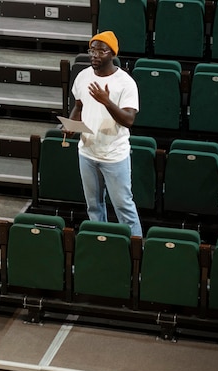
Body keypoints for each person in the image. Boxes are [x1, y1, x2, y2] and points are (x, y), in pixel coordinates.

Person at [68, 30, 143, 237]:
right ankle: (100, 244)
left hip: (114, 155)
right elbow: (79, 106)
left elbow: (128, 120)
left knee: (124, 208)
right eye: (92, 50)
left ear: (112, 54)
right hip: (87, 153)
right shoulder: (83, 76)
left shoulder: (125, 83)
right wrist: (72, 126)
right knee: (94, 207)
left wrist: (107, 102)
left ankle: (135, 251)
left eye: (101, 51)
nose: (94, 55)